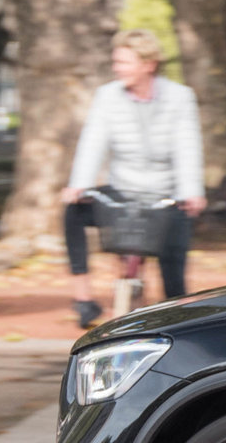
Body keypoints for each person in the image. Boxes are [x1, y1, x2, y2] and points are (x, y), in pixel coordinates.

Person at [62, 30, 204, 327]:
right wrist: (80, 184)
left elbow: (187, 145)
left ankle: (176, 318)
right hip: (123, 190)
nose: (117, 68)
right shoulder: (107, 96)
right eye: (116, 62)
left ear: (148, 65)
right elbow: (93, 141)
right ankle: (84, 299)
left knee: (174, 271)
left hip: (165, 192)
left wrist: (191, 191)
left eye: (124, 62)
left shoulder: (180, 97)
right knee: (73, 210)